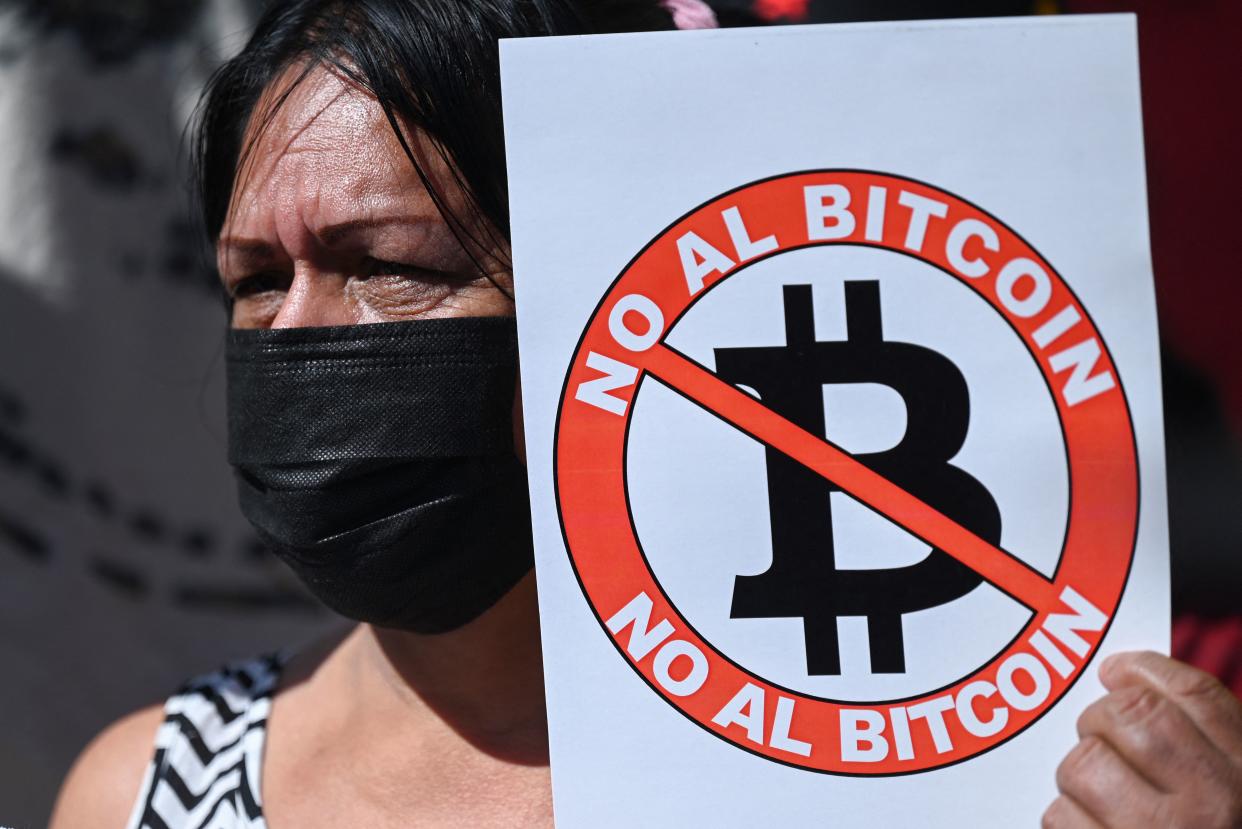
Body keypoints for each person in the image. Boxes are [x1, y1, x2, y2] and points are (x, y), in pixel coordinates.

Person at [48, 1, 1242, 827]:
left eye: (388, 263)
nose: (300, 334)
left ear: (603, 294)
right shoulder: (141, 792)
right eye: (256, 280)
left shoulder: (1003, 777)